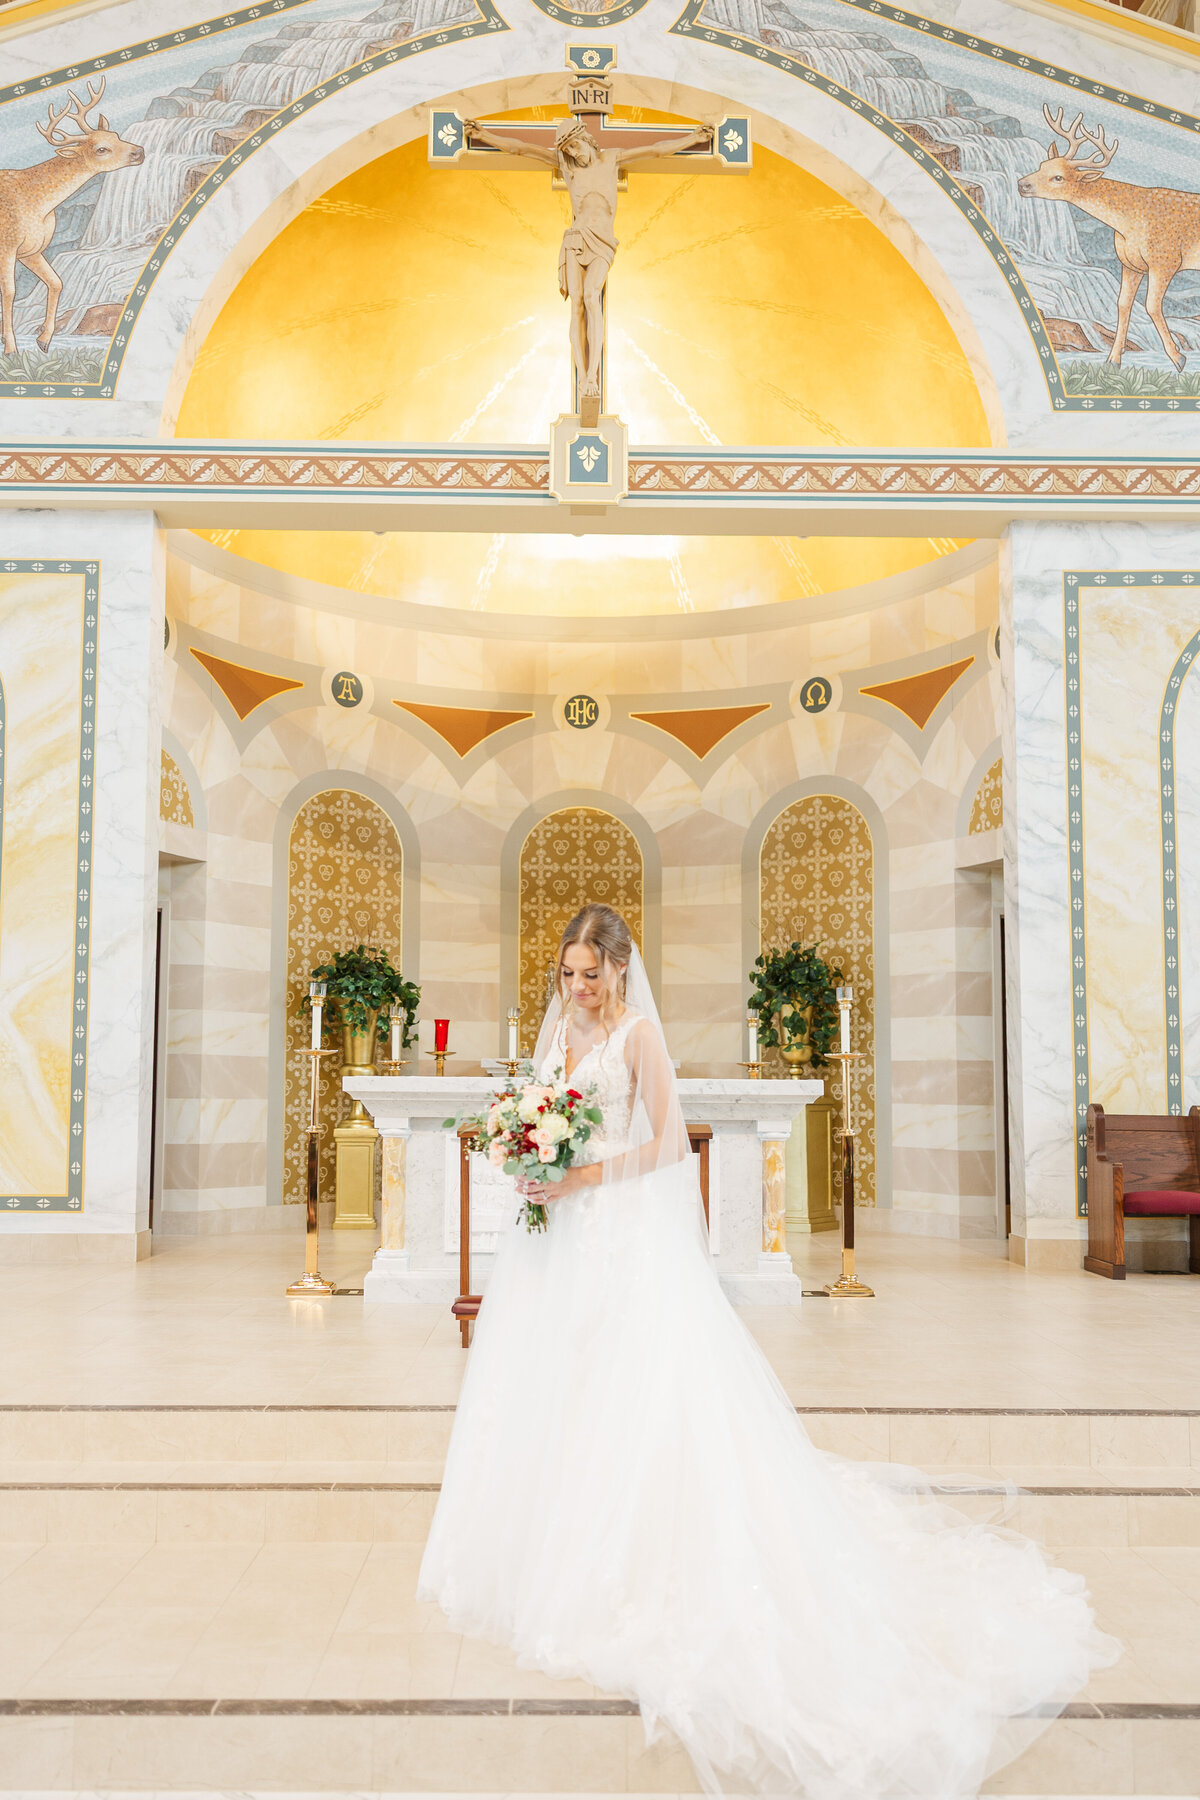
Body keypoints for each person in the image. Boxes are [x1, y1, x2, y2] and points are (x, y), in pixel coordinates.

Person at [418, 903, 1117, 1798]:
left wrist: (585, 1172)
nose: (578, 988)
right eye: (567, 974)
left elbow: (668, 1144)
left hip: (622, 1235)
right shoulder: (558, 1034)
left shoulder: (635, 1038)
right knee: (557, 1384)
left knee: (635, 1388)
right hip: (558, 1241)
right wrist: (533, 1160)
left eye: (591, 974)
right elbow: (545, 1115)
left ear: (622, 973)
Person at [462, 116, 711, 412]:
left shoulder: (612, 159)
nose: (573, 154)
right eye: (567, 150)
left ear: (587, 139)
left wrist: (694, 139)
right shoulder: (567, 166)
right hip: (576, 239)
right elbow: (521, 149)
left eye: (575, 146)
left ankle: (593, 372)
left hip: (603, 241)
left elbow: (656, 150)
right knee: (577, 304)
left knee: (593, 297)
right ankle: (585, 376)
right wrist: (485, 136)